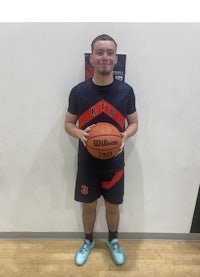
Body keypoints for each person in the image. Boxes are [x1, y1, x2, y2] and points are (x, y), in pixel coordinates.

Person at [65, 34, 138, 266]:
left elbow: (134, 123)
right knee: (88, 204)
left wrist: (123, 136)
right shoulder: (78, 92)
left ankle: (112, 240)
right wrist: (81, 133)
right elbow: (68, 124)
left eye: (109, 53)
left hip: (114, 163)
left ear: (116, 58)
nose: (104, 57)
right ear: (91, 58)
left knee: (113, 204)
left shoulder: (126, 91)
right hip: (88, 162)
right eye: (99, 52)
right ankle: (88, 240)